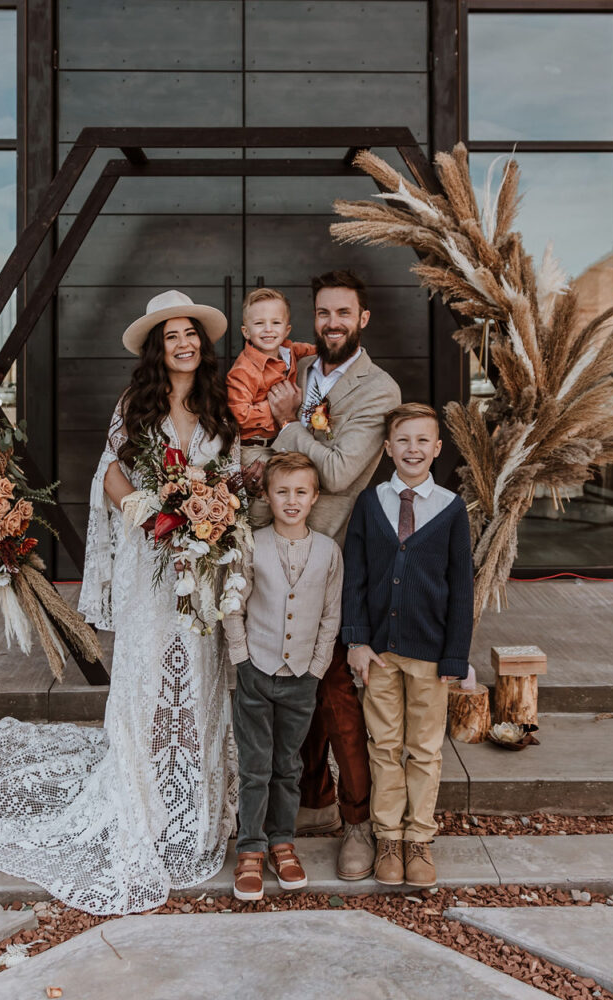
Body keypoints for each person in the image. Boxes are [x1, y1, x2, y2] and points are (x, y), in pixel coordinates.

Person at [0, 289, 239, 916]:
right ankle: (142, 800)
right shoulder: (135, 404)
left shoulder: (218, 403)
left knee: (199, 676)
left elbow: (230, 474)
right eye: (171, 336)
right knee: (148, 673)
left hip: (201, 564)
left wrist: (214, 515)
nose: (184, 344)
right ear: (156, 347)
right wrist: (140, 507)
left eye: (191, 333)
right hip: (150, 559)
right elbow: (110, 472)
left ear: (203, 341)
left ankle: (191, 809)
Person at [266, 269, 401, 882]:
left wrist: (291, 424)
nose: (332, 324)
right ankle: (308, 802)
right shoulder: (296, 368)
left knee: (341, 692)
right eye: (322, 313)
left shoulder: (379, 389)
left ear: (362, 319)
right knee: (290, 685)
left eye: (343, 313)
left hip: (341, 558)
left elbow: (344, 471)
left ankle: (357, 823)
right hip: (279, 555)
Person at [343, 403, 474, 887]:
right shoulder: (370, 503)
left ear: (437, 449)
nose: (413, 449)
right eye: (403, 440)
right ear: (387, 448)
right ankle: (389, 839)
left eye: (423, 440)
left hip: (431, 656)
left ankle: (419, 838)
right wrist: (355, 640)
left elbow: (462, 587)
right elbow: (354, 578)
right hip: (378, 654)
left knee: (424, 749)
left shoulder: (451, 509)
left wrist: (455, 654)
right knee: (384, 746)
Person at [224, 452, 342, 901]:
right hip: (256, 669)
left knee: (288, 767)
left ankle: (282, 841)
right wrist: (242, 659)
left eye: (300, 492)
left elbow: (331, 615)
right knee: (255, 766)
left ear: (314, 497)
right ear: (267, 496)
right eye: (282, 491)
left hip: (301, 677)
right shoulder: (250, 544)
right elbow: (232, 603)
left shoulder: (329, 551)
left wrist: (316, 668)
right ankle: (250, 847)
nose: (291, 500)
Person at [226, 288, 315, 526]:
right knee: (264, 496)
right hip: (255, 446)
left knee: (295, 487)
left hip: (282, 442)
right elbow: (240, 415)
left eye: (275, 322)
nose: (268, 329)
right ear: (246, 331)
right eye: (259, 323)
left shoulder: (291, 351)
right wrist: (276, 407)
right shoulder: (243, 371)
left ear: (286, 329)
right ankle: (253, 535)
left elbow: (319, 352)